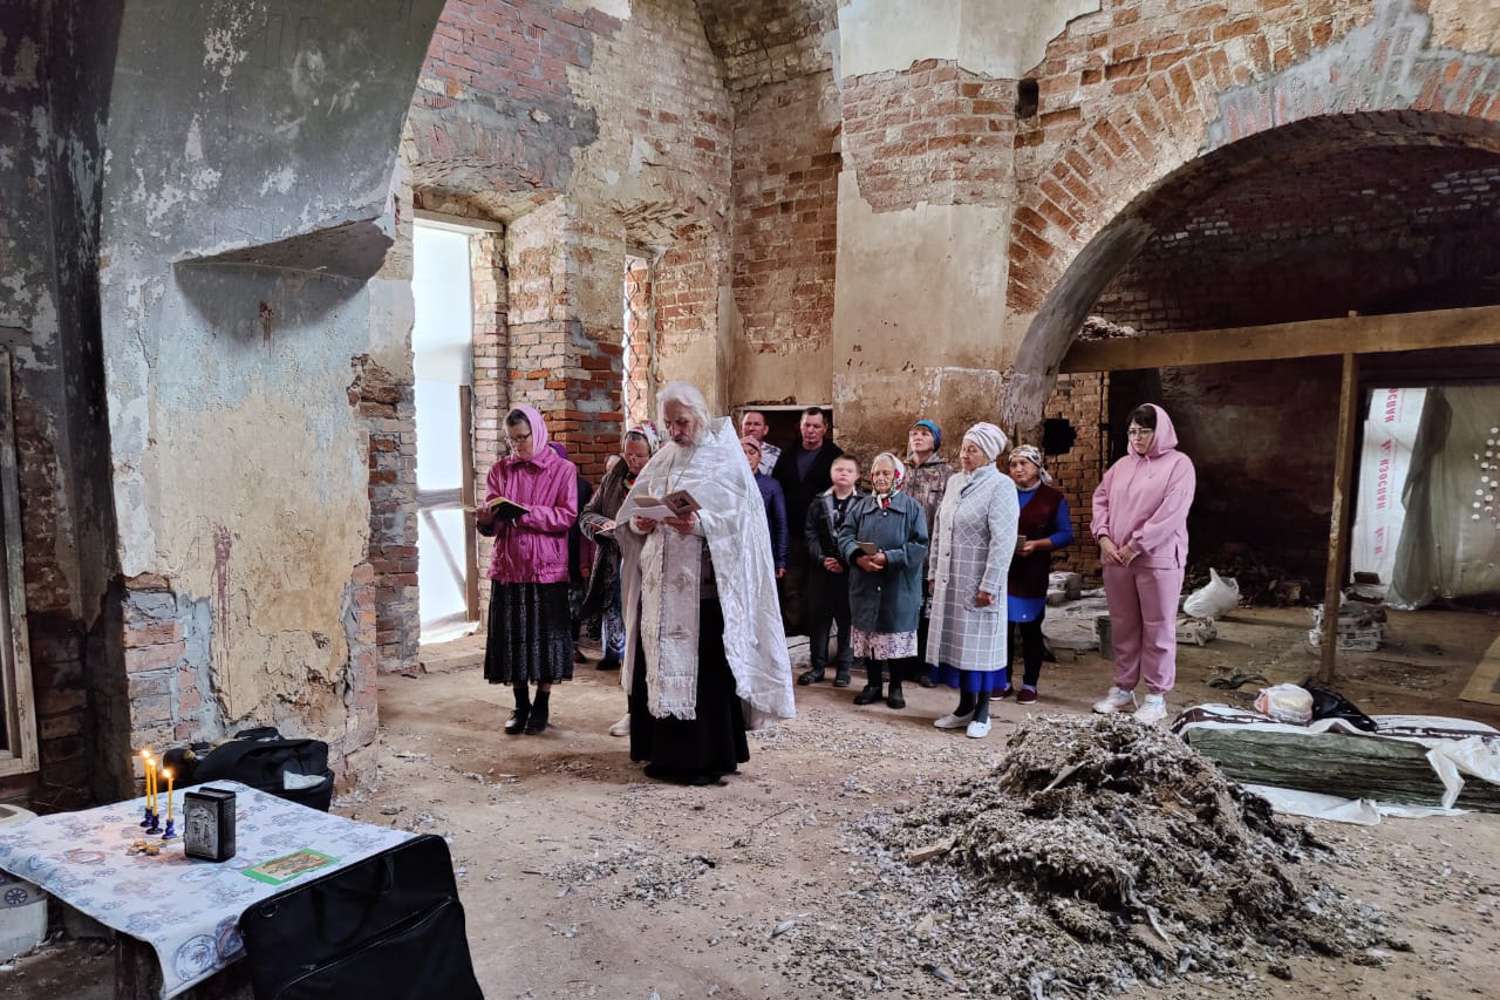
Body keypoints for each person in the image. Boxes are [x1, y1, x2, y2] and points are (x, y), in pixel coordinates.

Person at [616, 382, 796, 785]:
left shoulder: (724, 460)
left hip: (704, 595)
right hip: (661, 589)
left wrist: (699, 524)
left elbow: (743, 525)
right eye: (669, 424)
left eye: (681, 422)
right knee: (658, 667)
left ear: (699, 416)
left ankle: (705, 759)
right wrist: (639, 521)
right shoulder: (662, 458)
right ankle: (660, 752)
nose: (675, 431)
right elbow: (631, 513)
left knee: (708, 676)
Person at [1090, 404, 1196, 726]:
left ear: (1160, 431)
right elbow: (1101, 499)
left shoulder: (1179, 465)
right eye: (1133, 431)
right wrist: (1104, 537)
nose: (1137, 437)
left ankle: (1156, 696)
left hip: (1156, 559)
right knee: (1123, 624)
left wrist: (1137, 544)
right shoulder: (1121, 466)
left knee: (1158, 627)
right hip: (1117, 558)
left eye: (1144, 431)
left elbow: (1172, 512)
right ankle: (1123, 689)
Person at [477, 407, 579, 736]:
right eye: (512, 440)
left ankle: (543, 702)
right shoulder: (499, 471)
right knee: (514, 641)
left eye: (523, 438)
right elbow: (492, 525)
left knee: (546, 641)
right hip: (509, 566)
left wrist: (526, 515)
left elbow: (566, 516)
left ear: (537, 431)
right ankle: (520, 705)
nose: (518, 446)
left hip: (547, 568)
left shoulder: (563, 470)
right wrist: (485, 518)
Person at [926, 423, 1019, 739]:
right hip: (951, 579)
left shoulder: (1001, 486)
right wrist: (933, 572)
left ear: (989, 454)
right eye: (964, 448)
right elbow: (940, 529)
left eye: (972, 450)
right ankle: (964, 707)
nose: (964, 455)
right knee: (958, 646)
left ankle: (982, 711)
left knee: (979, 649)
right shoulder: (954, 482)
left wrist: (989, 584)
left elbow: (1003, 541)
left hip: (978, 581)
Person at [580, 423, 660, 737]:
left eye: (640, 455)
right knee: (625, 646)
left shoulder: (660, 478)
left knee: (647, 644)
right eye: (629, 454)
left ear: (652, 452)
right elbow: (586, 514)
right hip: (615, 567)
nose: (634, 461)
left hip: (650, 569)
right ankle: (632, 711)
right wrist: (604, 524)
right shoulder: (614, 478)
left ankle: (654, 712)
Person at [839, 453, 929, 709]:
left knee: (894, 635)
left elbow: (920, 545)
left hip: (897, 585)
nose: (880, 478)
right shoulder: (861, 506)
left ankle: (896, 686)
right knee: (870, 636)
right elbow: (845, 535)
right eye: (876, 473)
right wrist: (857, 557)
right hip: (865, 582)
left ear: (897, 477)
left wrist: (888, 558)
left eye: (886, 473)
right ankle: (873, 684)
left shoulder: (912, 508)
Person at [1003, 444, 1073, 704]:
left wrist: (1037, 544)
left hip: (1032, 571)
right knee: (1003, 628)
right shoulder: (1004, 492)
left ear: (1037, 467)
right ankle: (1003, 679)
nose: (1018, 469)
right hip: (1004, 570)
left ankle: (1030, 683)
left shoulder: (1052, 498)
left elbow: (1066, 534)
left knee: (1031, 628)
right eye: (1013, 464)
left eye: (1024, 463)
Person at [775, 406, 844, 634]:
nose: (811, 431)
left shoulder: (835, 456)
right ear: (800, 427)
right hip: (793, 535)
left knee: (818, 589)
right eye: (807, 425)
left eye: (816, 426)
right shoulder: (787, 455)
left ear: (824, 429)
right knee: (792, 588)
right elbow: (777, 491)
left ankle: (818, 642)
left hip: (822, 537)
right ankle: (793, 640)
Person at [799, 455, 862, 687]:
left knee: (847, 621)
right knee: (819, 620)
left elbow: (863, 536)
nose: (843, 473)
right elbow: (810, 534)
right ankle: (817, 667)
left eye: (848, 470)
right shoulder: (819, 502)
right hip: (821, 573)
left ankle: (844, 669)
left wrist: (846, 560)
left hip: (850, 574)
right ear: (831, 473)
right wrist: (822, 558)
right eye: (838, 469)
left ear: (857, 476)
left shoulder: (863, 503)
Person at [905, 418, 950, 689]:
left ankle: (926, 665)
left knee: (927, 611)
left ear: (935, 440)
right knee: (905, 607)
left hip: (930, 551)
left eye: (924, 433)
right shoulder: (901, 469)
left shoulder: (946, 473)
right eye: (914, 433)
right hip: (902, 551)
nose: (918, 437)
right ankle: (902, 662)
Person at [548, 441, 595, 662]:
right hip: (549, 553)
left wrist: (586, 560)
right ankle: (554, 647)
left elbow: (585, 519)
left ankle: (572, 645)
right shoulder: (543, 484)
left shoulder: (582, 486)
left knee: (575, 601)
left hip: (574, 549)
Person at [741, 436, 789, 578]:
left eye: (752, 452)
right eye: (742, 452)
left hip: (763, 550)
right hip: (737, 552)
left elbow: (781, 524)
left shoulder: (771, 486)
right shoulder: (729, 484)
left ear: (759, 456)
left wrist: (780, 560)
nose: (747, 457)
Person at [740, 409, 782, 476]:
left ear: (765, 430)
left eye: (756, 424)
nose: (751, 428)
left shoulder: (777, 454)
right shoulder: (731, 450)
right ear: (741, 428)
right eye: (748, 424)